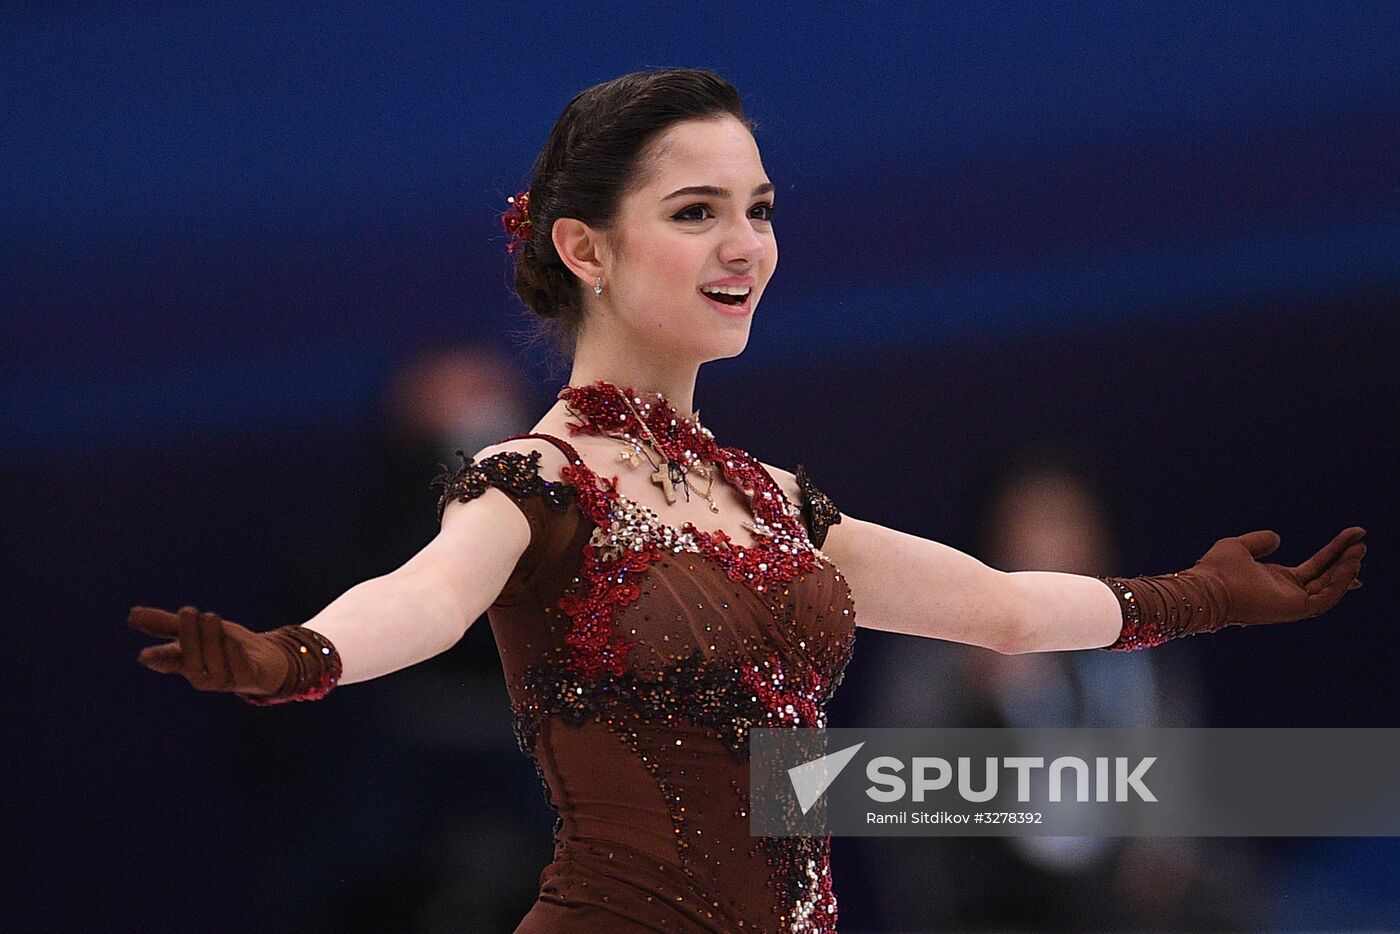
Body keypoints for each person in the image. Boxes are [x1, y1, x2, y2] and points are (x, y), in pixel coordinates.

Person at [127, 68, 1368, 933]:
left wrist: (1200, 596)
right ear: (585, 247)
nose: (747, 245)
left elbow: (995, 608)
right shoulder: (538, 476)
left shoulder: (771, 499)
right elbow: (428, 598)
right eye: (696, 212)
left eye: (759, 210)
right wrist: (298, 656)